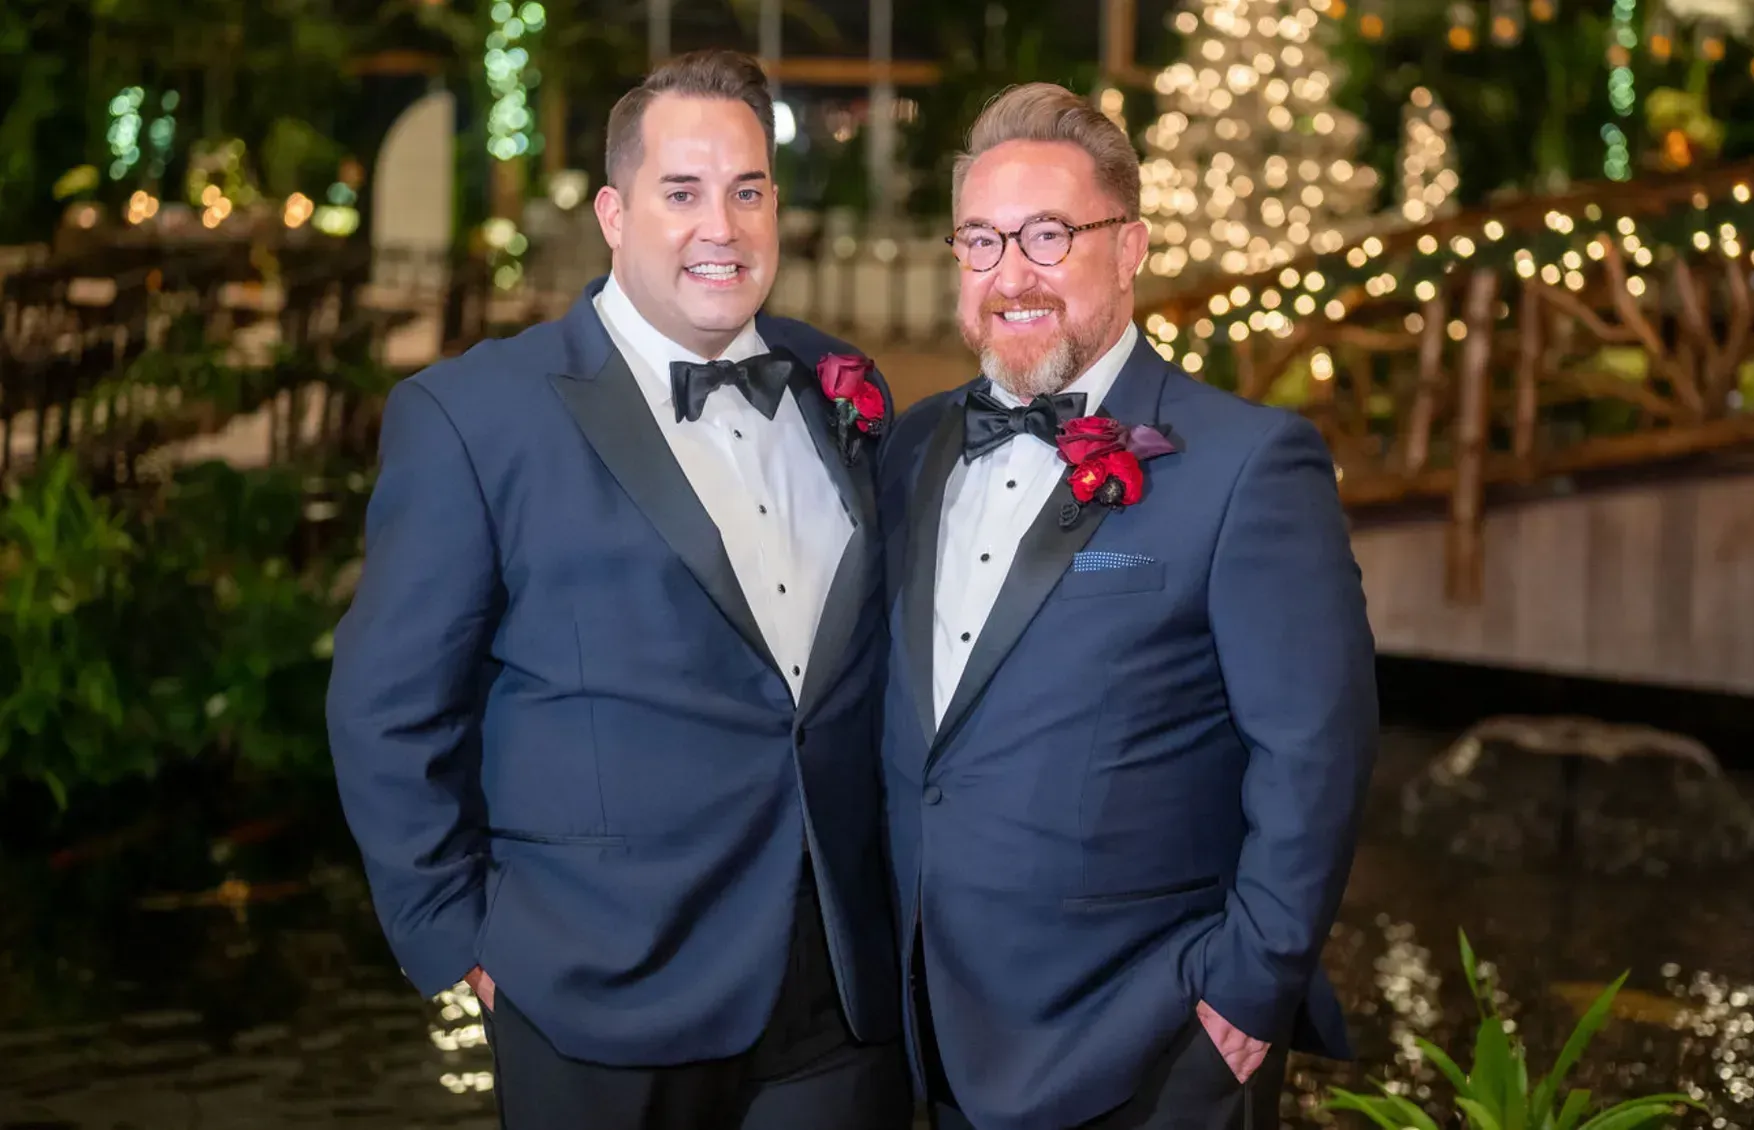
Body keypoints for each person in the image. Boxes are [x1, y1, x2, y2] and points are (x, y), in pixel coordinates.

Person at [327, 49, 909, 1130]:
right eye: (680, 193)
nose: (720, 228)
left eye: (747, 191)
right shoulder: (474, 416)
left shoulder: (840, 383)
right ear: (612, 210)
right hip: (599, 996)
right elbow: (385, 704)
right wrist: (455, 936)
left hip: (836, 993)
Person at [877, 83, 1378, 1130]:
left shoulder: (1250, 464)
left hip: (1150, 1042)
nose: (1011, 273)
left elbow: (1316, 748)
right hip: (936, 1028)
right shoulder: (914, 447)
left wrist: (1253, 974)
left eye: (1048, 235)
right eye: (980, 241)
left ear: (1133, 245)